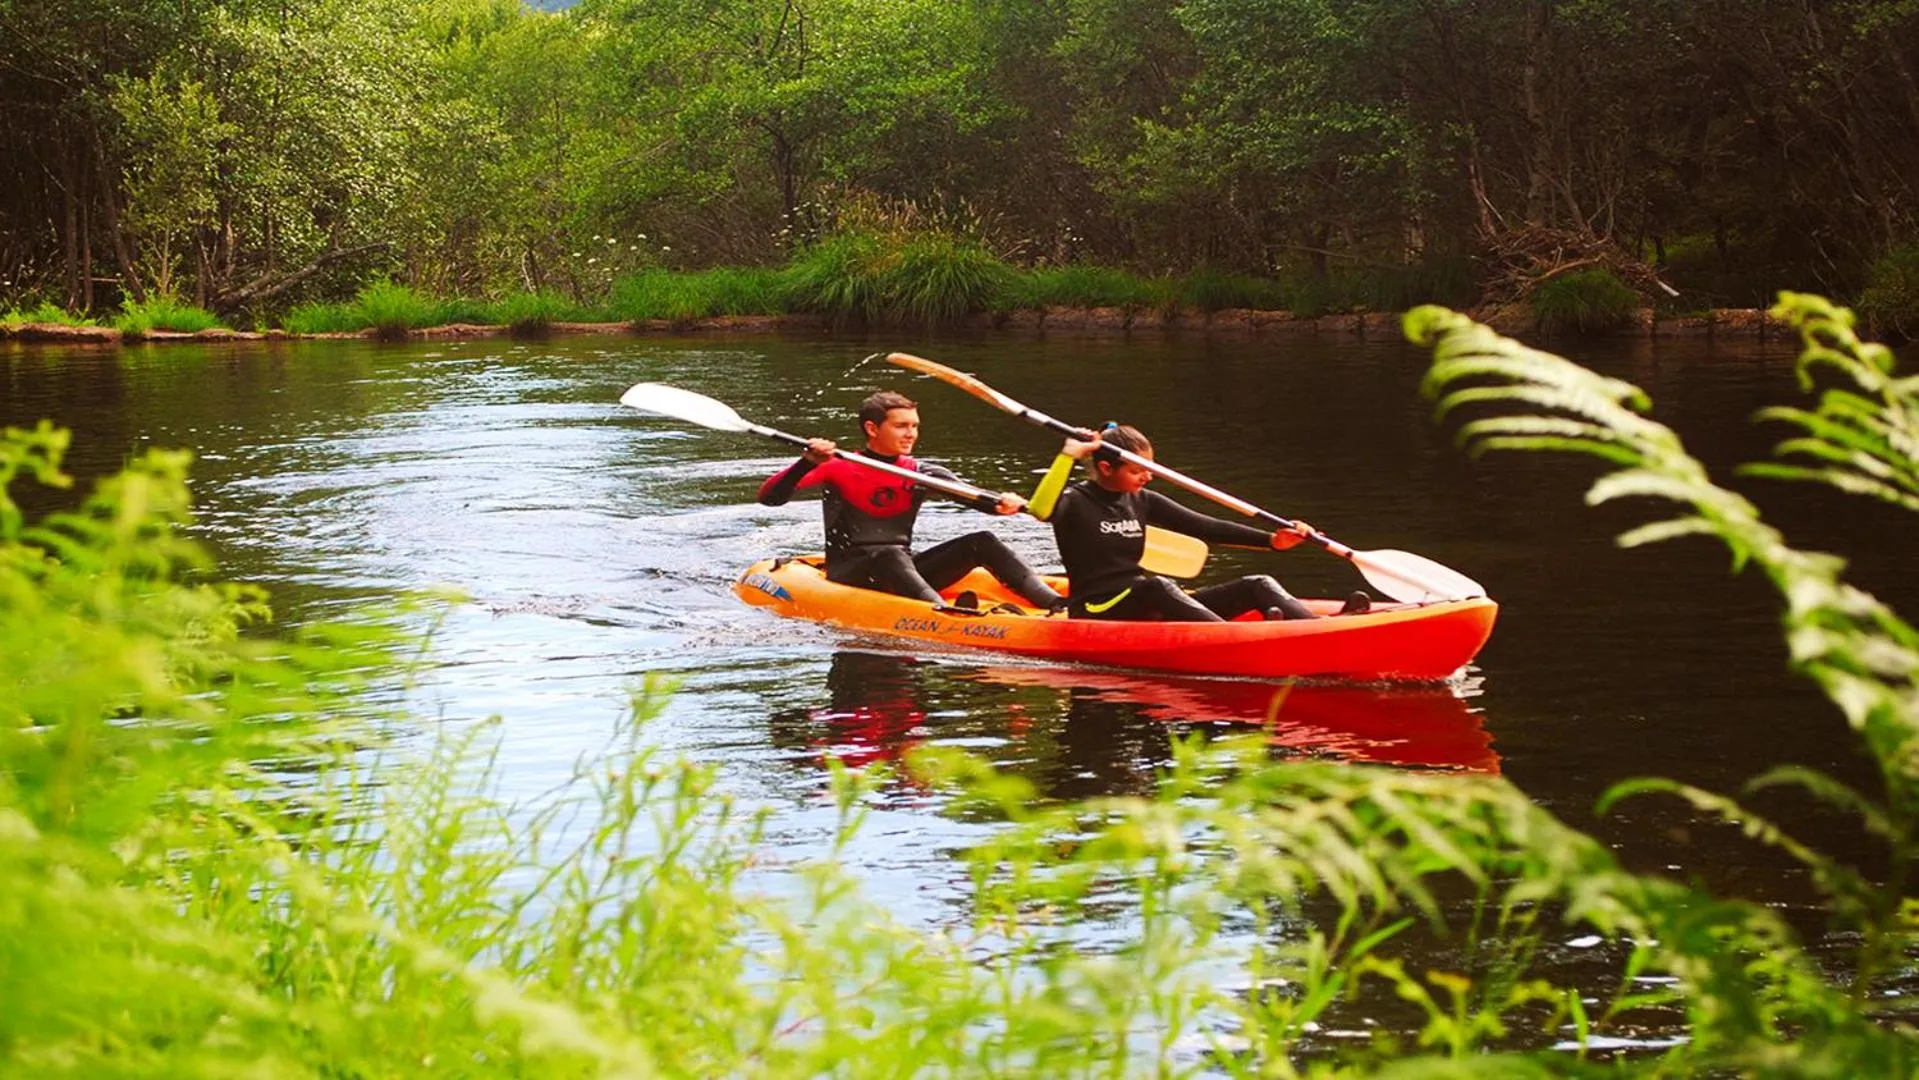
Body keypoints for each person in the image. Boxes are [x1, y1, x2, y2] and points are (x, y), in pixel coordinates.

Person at [1027, 424, 1371, 622]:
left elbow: (1206, 527)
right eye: (1136, 470)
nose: (1147, 476)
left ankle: (1312, 631)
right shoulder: (1075, 501)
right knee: (1157, 585)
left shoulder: (1142, 500)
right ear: (1106, 469)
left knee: (1258, 583)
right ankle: (1238, 642)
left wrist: (1272, 541)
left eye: (1151, 468)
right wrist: (1068, 454)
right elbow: (1041, 510)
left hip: (1143, 600)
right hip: (1096, 608)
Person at [757, 390, 1066, 610]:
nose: (911, 434)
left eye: (915, 426)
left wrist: (1002, 503)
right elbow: (769, 498)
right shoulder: (838, 466)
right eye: (901, 426)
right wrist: (806, 462)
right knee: (890, 554)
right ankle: (945, 615)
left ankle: (1054, 604)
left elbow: (975, 498)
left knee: (981, 541)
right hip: (853, 573)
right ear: (872, 428)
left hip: (901, 569)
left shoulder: (922, 472)